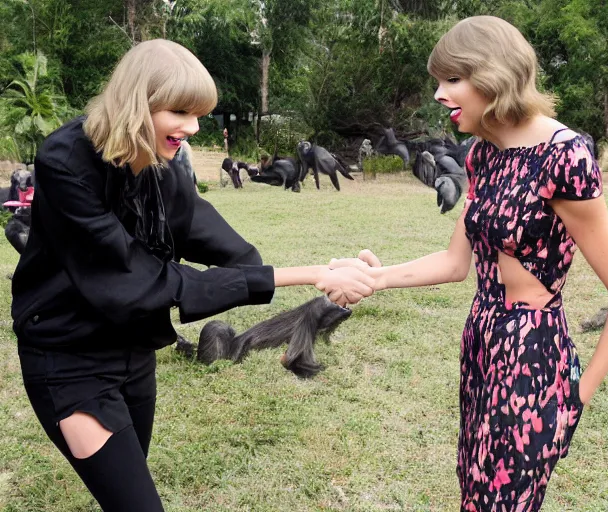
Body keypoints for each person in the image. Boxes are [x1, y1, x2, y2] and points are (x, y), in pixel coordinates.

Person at [12, 39, 373, 511]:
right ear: (137, 102)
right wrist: (298, 274)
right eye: (180, 111)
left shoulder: (162, 160)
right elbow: (140, 281)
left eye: (198, 112)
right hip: (71, 358)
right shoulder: (66, 162)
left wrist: (328, 276)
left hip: (135, 350)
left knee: (124, 492)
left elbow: (202, 230)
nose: (193, 127)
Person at [332, 16, 608, 511]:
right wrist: (376, 278)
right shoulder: (483, 154)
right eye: (439, 80)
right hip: (481, 340)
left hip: (531, 359)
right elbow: (457, 262)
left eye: (452, 79)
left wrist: (578, 397)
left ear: (494, 76)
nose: (438, 93)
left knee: (504, 501)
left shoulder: (565, 156)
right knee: (474, 490)